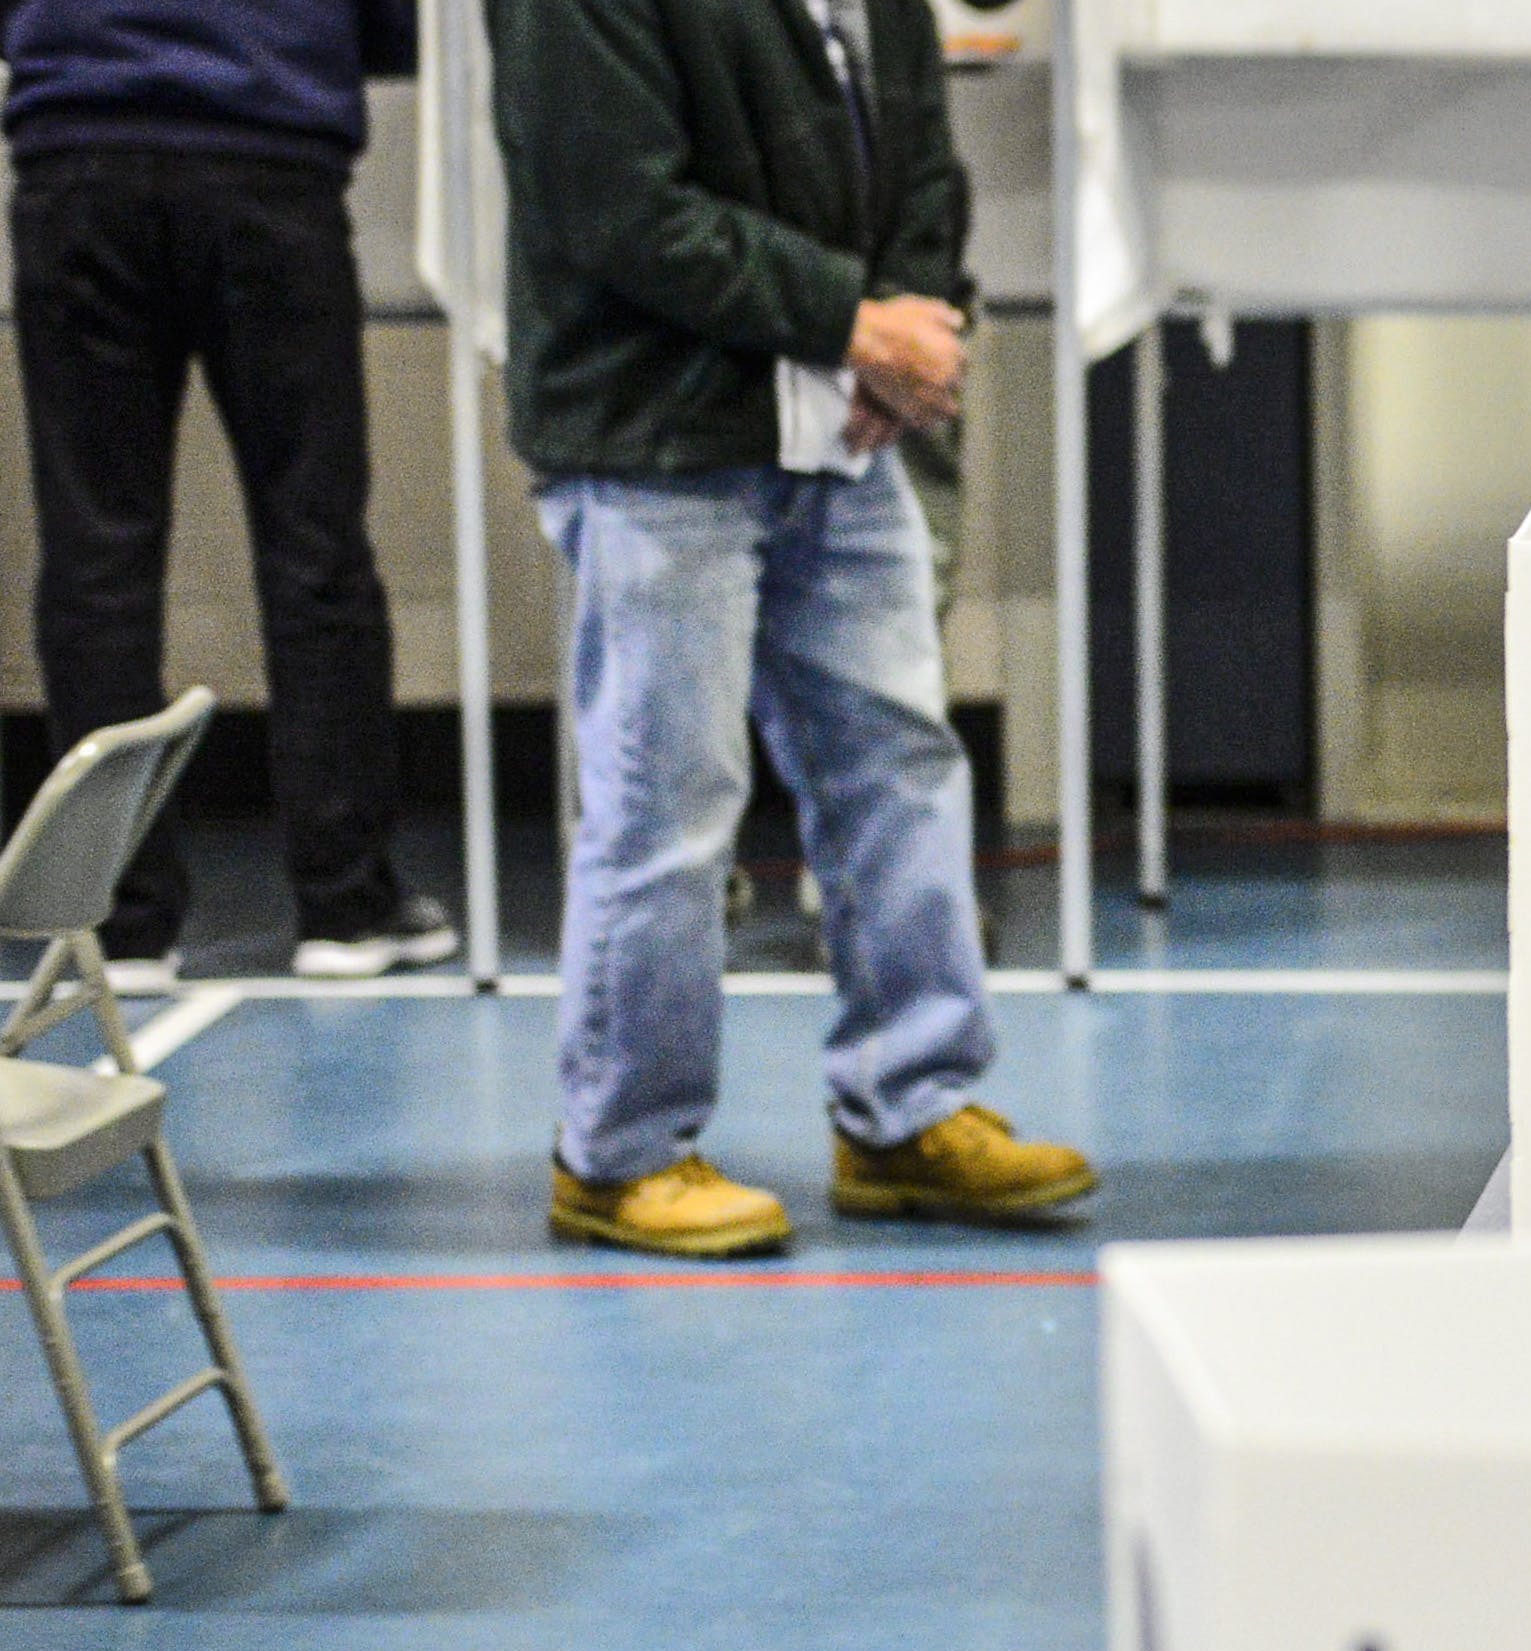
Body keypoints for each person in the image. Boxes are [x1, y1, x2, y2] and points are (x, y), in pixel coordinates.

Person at [491, 0, 1092, 1259]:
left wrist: (911, 329)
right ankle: (620, 1152)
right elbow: (618, 207)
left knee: (898, 766)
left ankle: (908, 1108)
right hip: (658, 433)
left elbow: (924, 156)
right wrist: (855, 327)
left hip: (841, 425)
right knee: (668, 799)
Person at [5, 0, 460, 991]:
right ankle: (345, 902)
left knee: (96, 556)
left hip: (76, 149)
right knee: (315, 545)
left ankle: (117, 921)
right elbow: (395, 25)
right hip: (269, 156)